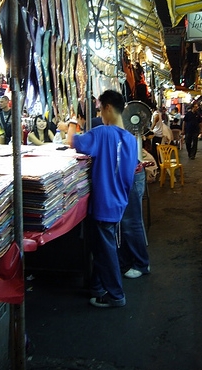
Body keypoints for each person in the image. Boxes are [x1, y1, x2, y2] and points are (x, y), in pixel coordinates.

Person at [63, 89, 138, 308]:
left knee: (105, 250)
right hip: (119, 200)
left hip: (105, 202)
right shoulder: (131, 139)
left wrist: (71, 122)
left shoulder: (103, 133)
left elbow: (72, 141)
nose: (99, 114)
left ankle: (116, 295)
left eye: (99, 109)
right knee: (102, 247)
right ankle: (97, 286)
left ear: (107, 107)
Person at [118, 163, 150, 279]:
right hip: (127, 173)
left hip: (129, 174)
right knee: (125, 223)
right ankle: (128, 260)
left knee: (131, 222)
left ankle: (141, 263)